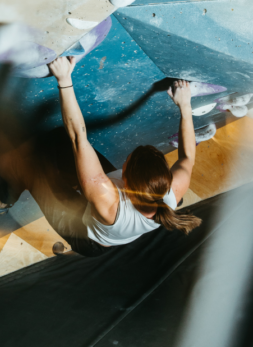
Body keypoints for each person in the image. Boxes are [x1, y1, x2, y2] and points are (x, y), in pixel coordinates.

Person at [47, 56, 201, 252]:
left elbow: (78, 137)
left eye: (126, 163)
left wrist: (64, 80)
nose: (125, 160)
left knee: (33, 166)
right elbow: (187, 157)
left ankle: (2, 197)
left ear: (125, 182)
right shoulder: (173, 192)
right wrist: (185, 106)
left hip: (89, 240)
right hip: (112, 216)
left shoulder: (107, 198)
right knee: (61, 141)